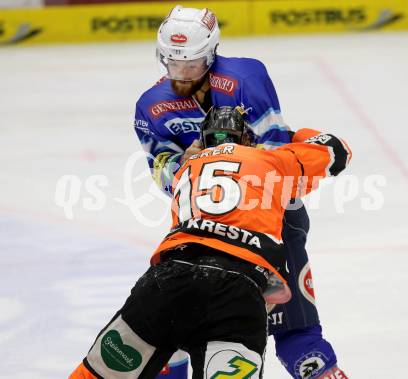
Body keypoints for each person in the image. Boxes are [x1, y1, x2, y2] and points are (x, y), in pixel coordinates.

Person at [134, 5, 348, 379]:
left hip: (268, 226)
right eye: (172, 63)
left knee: (296, 334)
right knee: (176, 338)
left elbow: (276, 156)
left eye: (192, 63)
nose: (181, 74)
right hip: (206, 224)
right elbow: (162, 170)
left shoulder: (245, 78)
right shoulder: (151, 106)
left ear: (212, 54)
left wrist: (202, 164)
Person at [69, 106, 352, 379]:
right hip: (238, 290)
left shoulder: (185, 170)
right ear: (248, 140)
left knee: (97, 374)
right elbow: (338, 149)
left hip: (167, 282)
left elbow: (167, 167)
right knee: (297, 339)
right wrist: (287, 137)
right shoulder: (272, 161)